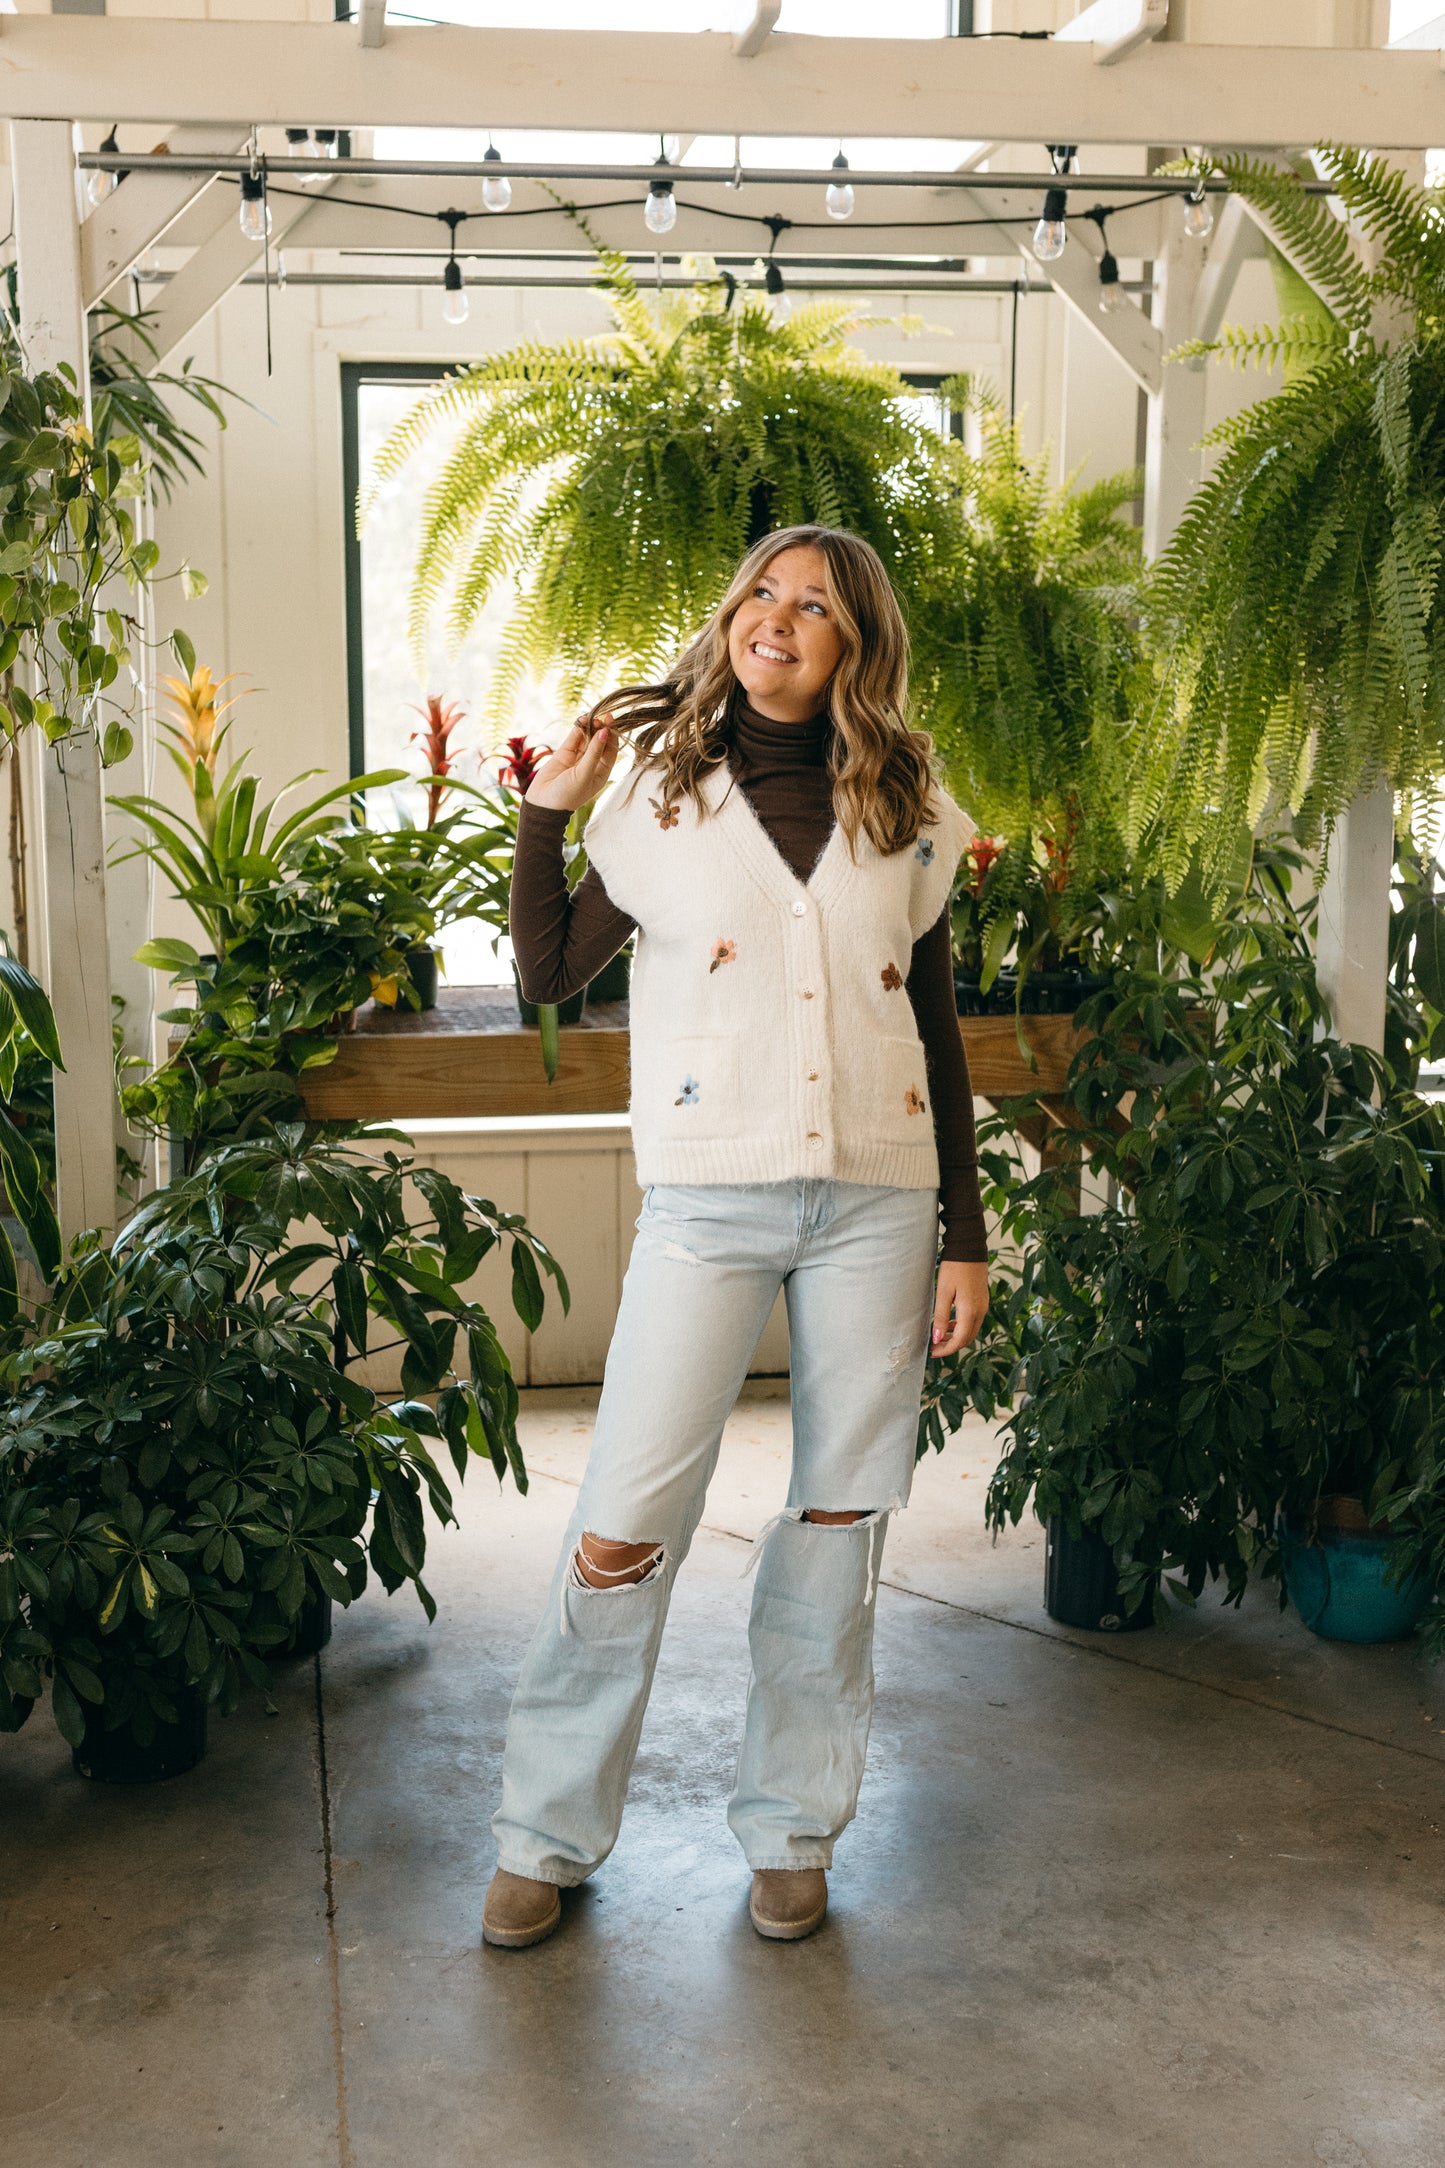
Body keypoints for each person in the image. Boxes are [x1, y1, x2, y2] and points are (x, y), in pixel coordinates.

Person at [482, 525, 990, 1950]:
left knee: (837, 1520)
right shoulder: (653, 791)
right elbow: (543, 972)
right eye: (761, 592)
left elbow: (932, 1029)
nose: (777, 616)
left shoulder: (909, 803)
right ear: (728, 619)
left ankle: (790, 1830)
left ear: (853, 644)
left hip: (878, 1201)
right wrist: (544, 810)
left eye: (813, 604)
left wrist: (966, 1231)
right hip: (707, 1197)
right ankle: (544, 1831)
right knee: (621, 1525)